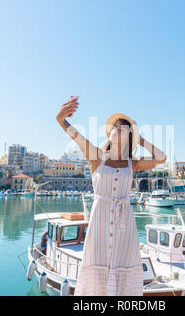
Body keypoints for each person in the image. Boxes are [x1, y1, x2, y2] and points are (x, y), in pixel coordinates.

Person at [56, 96, 167, 296]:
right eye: (115, 127)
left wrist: (140, 139)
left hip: (125, 223)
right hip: (100, 221)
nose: (117, 129)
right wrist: (61, 120)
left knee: (123, 263)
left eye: (123, 128)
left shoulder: (133, 163)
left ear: (129, 136)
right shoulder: (98, 157)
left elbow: (161, 157)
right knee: (97, 265)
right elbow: (77, 136)